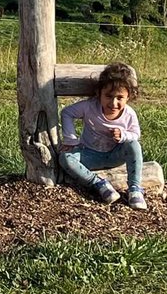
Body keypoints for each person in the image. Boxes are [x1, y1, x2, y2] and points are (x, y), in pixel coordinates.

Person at [58, 62, 146, 210]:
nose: (113, 103)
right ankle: (99, 184)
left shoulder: (129, 114)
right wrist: (71, 139)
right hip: (89, 155)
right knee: (65, 157)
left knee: (134, 145)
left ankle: (135, 189)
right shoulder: (89, 107)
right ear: (99, 93)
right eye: (108, 96)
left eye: (120, 97)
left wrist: (123, 135)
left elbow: (135, 134)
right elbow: (67, 113)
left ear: (128, 97)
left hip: (115, 155)